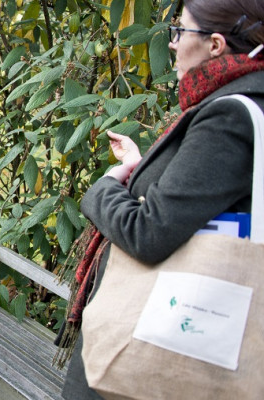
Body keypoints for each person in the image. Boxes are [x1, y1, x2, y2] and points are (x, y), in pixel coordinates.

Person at [59, 0, 264, 398]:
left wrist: (106, 187)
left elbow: (149, 233)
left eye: (180, 31)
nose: (171, 43)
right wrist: (141, 171)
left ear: (215, 45)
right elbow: (195, 203)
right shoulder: (240, 103)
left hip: (154, 340)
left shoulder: (230, 115)